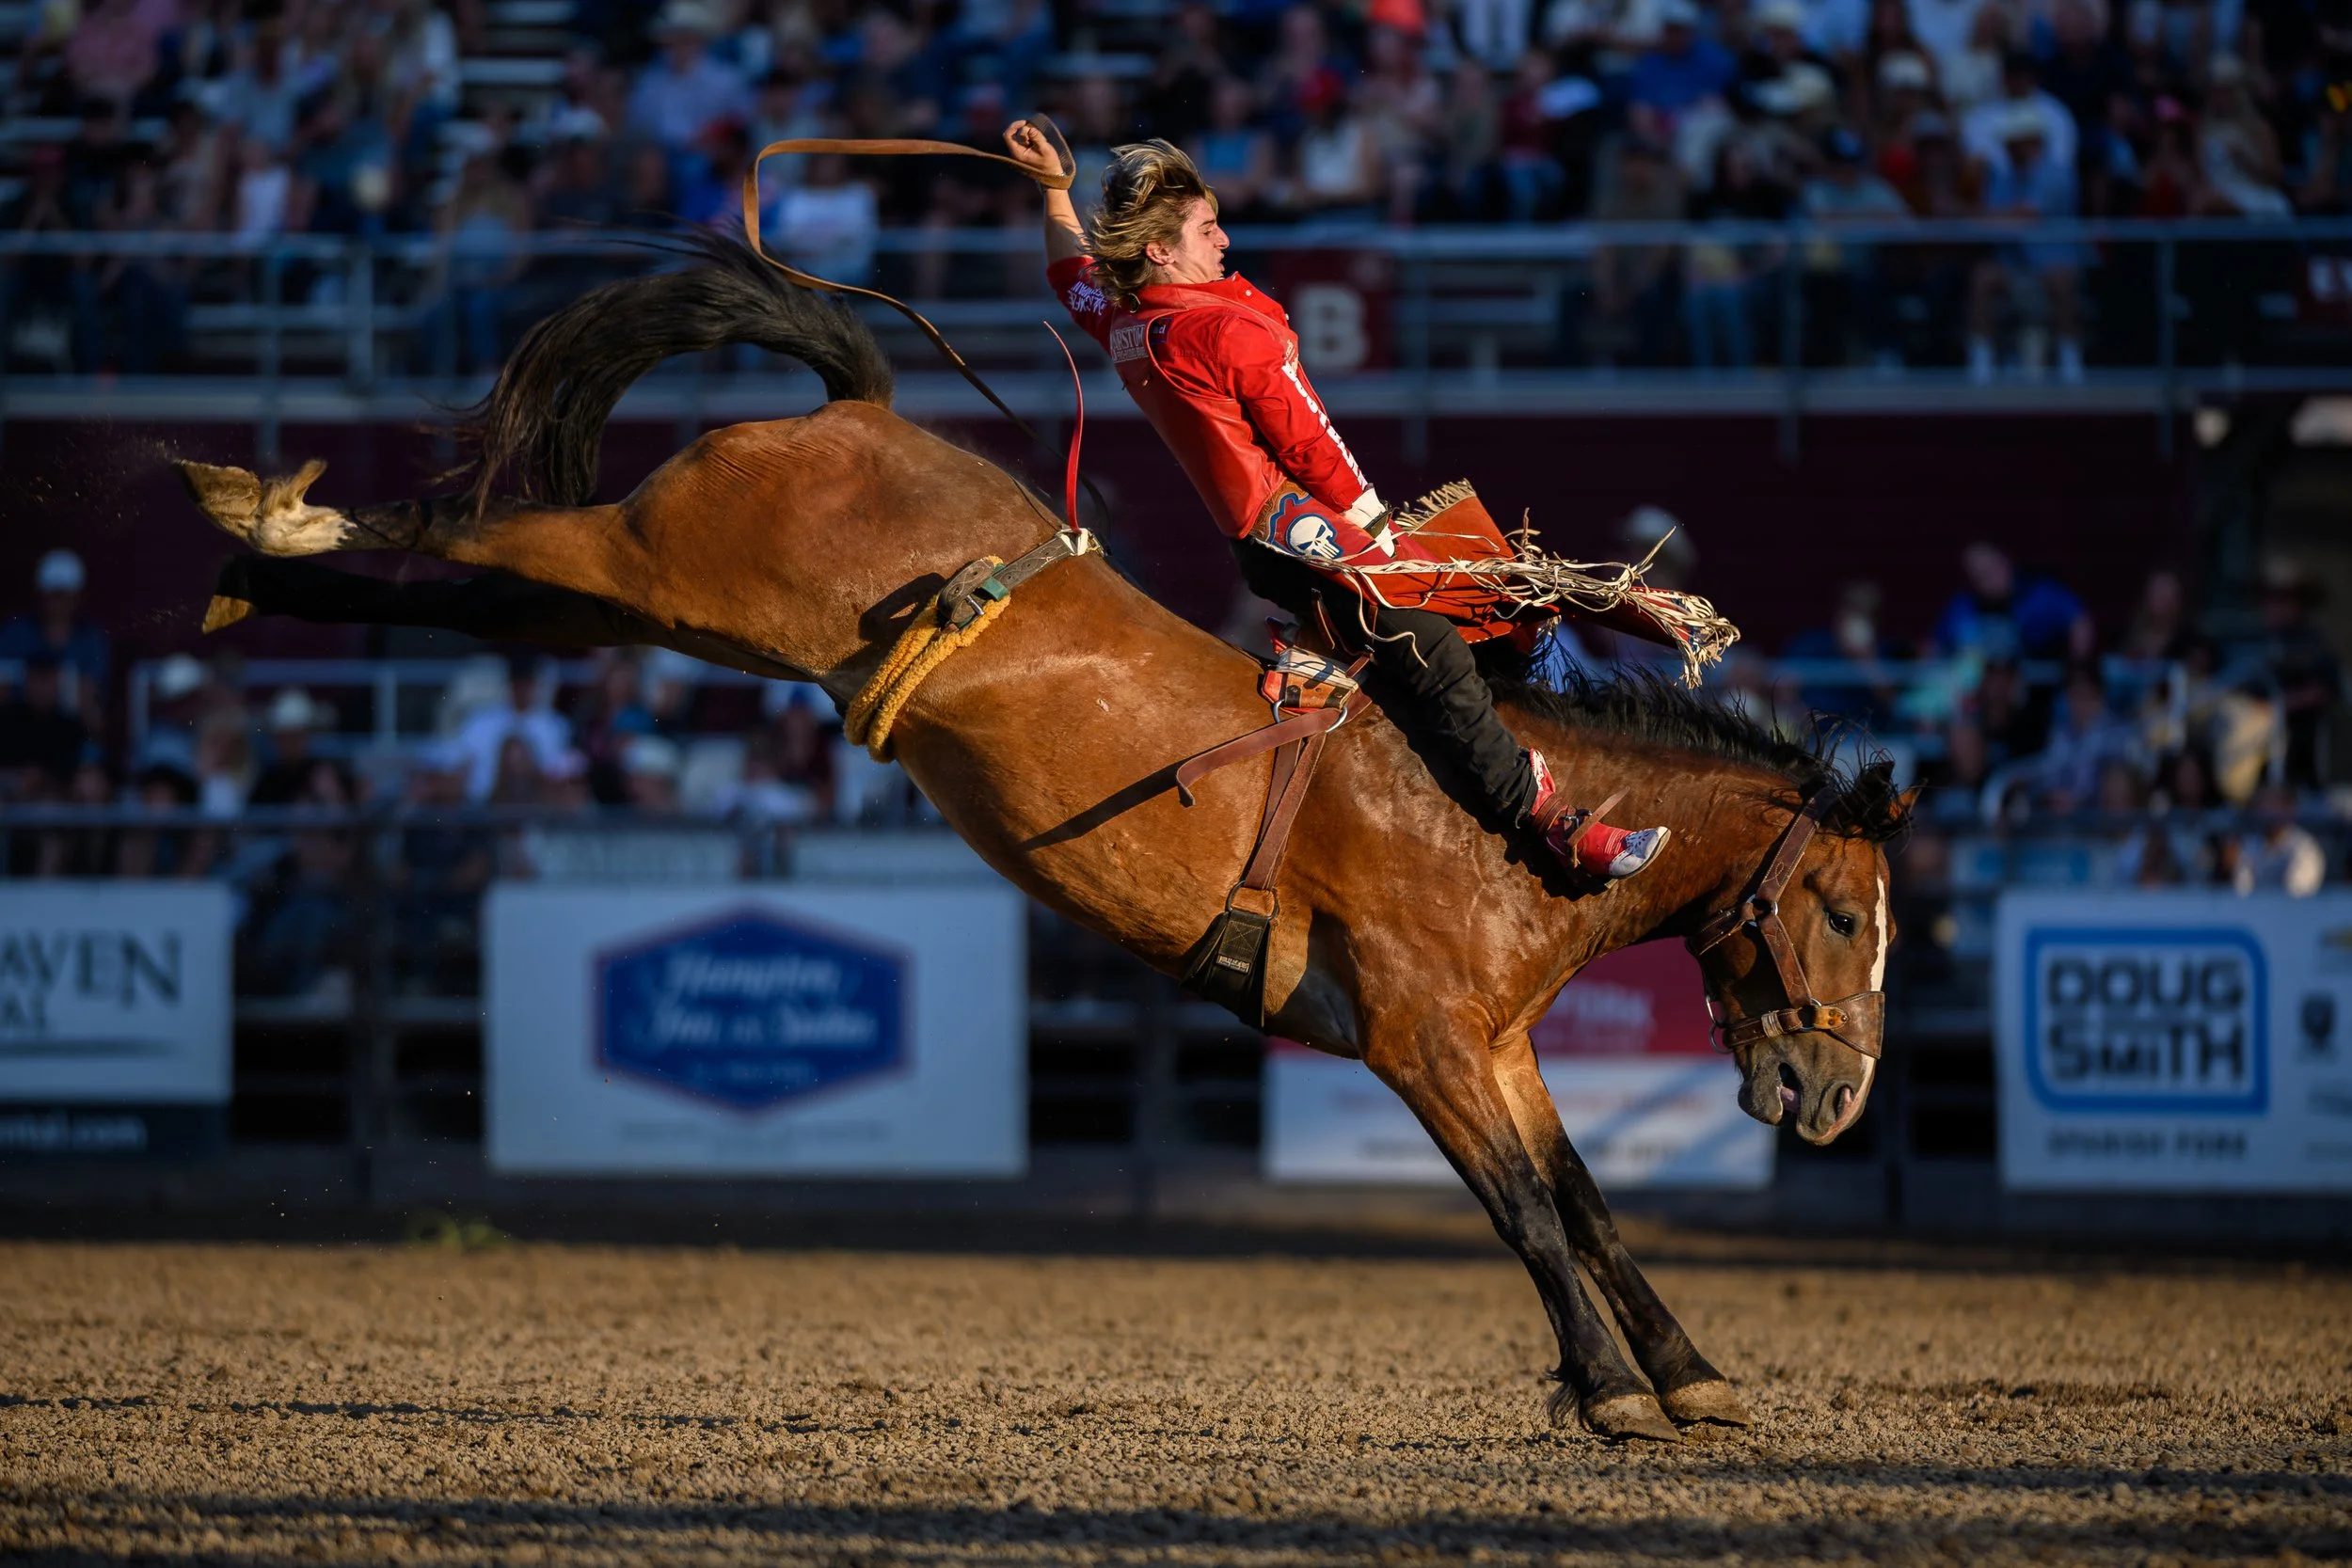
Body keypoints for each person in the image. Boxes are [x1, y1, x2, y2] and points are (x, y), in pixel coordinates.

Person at [1004, 124, 1667, 879]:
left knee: (1490, 607)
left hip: (1267, 541)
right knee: (1437, 649)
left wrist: (1053, 191)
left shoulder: (1131, 322)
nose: (1224, 239)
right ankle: (1545, 823)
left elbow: (1071, 273)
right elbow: (1311, 444)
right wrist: (1382, 533)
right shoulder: (1222, 329)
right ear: (1161, 250)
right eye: (1207, 228)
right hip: (1299, 534)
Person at [0, 548, 111, 727]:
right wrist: (29, 688)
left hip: (70, 731)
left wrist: (54, 686)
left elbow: (91, 698)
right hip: (18, 727)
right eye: (53, 595)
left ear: (78, 597)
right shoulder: (15, 633)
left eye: (65, 596)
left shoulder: (91, 639)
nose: (58, 604)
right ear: (41, 595)